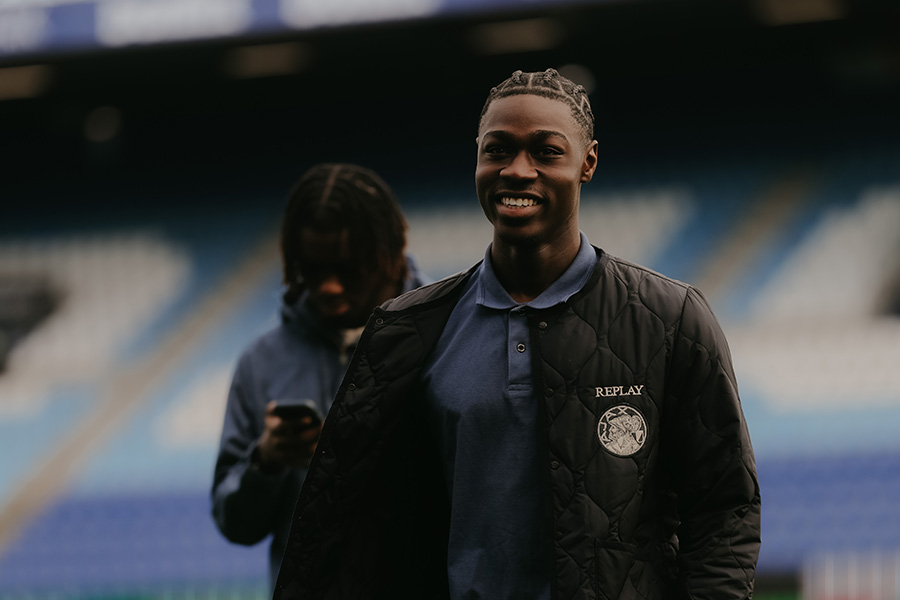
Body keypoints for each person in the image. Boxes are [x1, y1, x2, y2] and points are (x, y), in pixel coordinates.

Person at [274, 70, 761, 599]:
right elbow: (364, 527)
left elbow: (724, 510)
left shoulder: (671, 318)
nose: (518, 170)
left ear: (588, 162)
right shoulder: (405, 330)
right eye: (498, 150)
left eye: (547, 151)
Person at [211, 163, 426, 590]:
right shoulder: (261, 362)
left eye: (347, 270)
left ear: (389, 253)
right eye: (311, 270)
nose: (328, 287)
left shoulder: (449, 332)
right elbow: (235, 525)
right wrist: (266, 462)